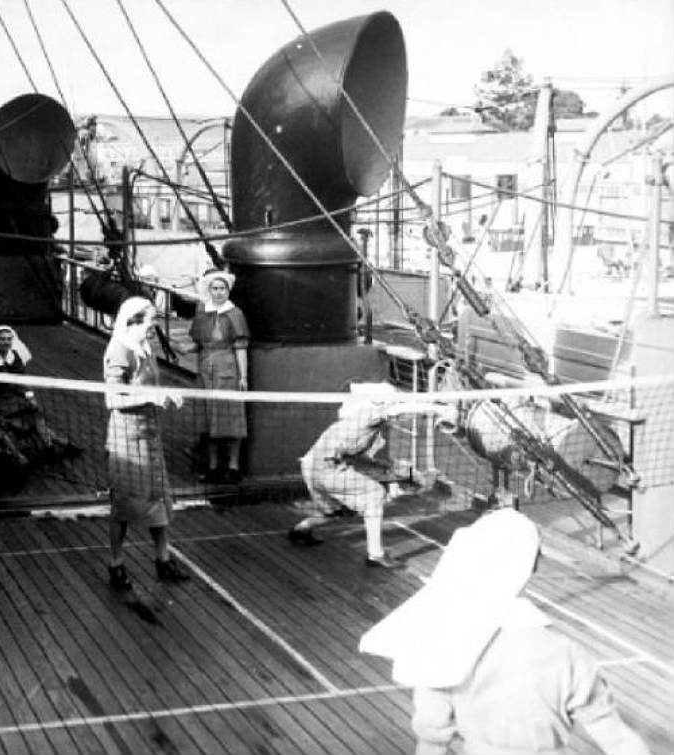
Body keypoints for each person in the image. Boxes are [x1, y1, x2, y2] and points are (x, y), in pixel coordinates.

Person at [359, 508, 651, 755]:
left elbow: (432, 740)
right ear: (530, 567)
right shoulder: (566, 653)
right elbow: (618, 739)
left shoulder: (443, 645)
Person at [288, 382, 456, 568]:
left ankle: (301, 529)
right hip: (326, 469)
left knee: (338, 511)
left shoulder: (362, 425)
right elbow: (403, 409)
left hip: (310, 467)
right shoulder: (369, 414)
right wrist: (439, 409)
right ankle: (376, 555)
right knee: (375, 494)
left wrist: (403, 474)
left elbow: (366, 462)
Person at [103, 296, 189, 591]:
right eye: (152, 319)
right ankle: (116, 565)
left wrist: (166, 393)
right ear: (135, 320)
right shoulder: (119, 351)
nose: (156, 324)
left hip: (150, 433)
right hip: (127, 437)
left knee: (159, 498)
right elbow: (112, 399)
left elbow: (150, 385)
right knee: (124, 505)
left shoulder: (146, 346)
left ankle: (163, 560)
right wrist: (152, 398)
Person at [0, 324, 81, 461]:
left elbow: (22, 380)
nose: (6, 342)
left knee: (35, 412)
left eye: (9, 339)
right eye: (2, 339)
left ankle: (51, 446)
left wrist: (30, 397)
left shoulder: (15, 356)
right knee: (17, 421)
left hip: (16, 397)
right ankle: (57, 444)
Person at [184, 268, 250, 483]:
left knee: (231, 418)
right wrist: (181, 349)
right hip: (206, 370)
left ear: (228, 290)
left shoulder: (235, 314)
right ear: (209, 289)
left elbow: (241, 347)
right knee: (208, 419)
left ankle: (233, 466)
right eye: (215, 288)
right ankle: (212, 465)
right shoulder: (203, 313)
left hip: (227, 369)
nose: (219, 292)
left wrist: (243, 376)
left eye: (223, 288)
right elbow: (198, 344)